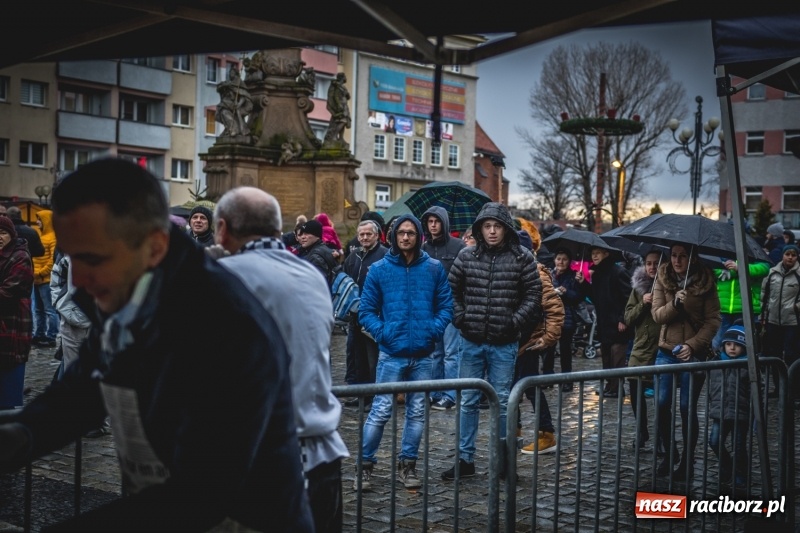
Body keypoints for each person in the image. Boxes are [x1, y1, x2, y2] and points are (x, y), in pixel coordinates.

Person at [0, 158, 313, 532]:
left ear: (155, 246)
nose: (78, 279)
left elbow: (201, 494)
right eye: (70, 256)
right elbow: (85, 388)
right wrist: (21, 435)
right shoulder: (122, 291)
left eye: (93, 259)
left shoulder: (229, 327)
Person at [213, 187, 349, 533]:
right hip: (323, 456)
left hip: (261, 461)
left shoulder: (223, 276)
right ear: (278, 230)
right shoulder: (310, 275)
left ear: (222, 229)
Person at [443, 202, 542, 480]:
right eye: (487, 226)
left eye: (497, 226)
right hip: (471, 340)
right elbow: (451, 291)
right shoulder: (467, 256)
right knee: (467, 402)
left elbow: (533, 295)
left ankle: (503, 461)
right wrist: (461, 317)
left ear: (506, 228)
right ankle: (465, 460)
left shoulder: (522, 257)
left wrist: (514, 321)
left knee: (502, 403)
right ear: (480, 229)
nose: (492, 231)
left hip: (504, 342)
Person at [355, 213, 453, 490]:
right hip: (391, 353)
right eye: (401, 233)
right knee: (380, 410)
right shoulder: (379, 270)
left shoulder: (433, 268)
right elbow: (366, 310)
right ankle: (364, 466)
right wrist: (383, 332)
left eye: (411, 233)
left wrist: (432, 330)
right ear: (394, 236)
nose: (406, 237)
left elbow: (446, 306)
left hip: (423, 354)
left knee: (417, 412)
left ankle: (407, 465)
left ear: (419, 236)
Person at [652, 243, 720, 481]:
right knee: (662, 403)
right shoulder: (663, 277)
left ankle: (687, 461)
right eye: (674, 255)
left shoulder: (705, 281)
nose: (677, 261)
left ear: (693, 258)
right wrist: (675, 304)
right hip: (666, 351)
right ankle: (669, 453)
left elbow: (713, 320)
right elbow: (657, 315)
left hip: (693, 353)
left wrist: (692, 345)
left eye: (683, 256)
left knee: (686, 407)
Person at [515, 229, 563, 455]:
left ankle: (547, 434)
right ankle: (513, 430)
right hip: (513, 342)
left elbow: (555, 309)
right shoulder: (514, 270)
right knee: (511, 388)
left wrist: (547, 338)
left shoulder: (537, 273)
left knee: (530, 387)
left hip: (530, 343)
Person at [421, 206, 466, 410]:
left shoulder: (458, 246)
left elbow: (465, 276)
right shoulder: (424, 248)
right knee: (435, 353)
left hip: (451, 307)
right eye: (430, 222)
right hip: (431, 309)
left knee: (451, 353)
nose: (433, 225)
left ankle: (450, 395)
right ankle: (435, 392)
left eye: (437, 221)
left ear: (444, 223)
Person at [575, 246, 632, 398]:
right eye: (593, 253)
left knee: (617, 357)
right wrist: (583, 283)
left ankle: (617, 388)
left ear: (606, 254)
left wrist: (623, 319)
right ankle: (610, 386)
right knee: (606, 357)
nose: (594, 256)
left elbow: (629, 298)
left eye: (597, 253)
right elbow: (595, 297)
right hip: (604, 322)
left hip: (618, 324)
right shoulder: (598, 273)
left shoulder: (618, 272)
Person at [342, 220, 388, 401]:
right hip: (355, 314)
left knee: (373, 358)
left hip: (375, 315)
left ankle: (374, 395)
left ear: (376, 235)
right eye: (361, 234)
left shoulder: (385, 255)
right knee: (357, 355)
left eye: (369, 234)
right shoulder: (354, 256)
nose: (365, 237)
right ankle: (360, 394)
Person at [624, 250, 662, 450]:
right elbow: (628, 317)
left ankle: (663, 436)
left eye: (656, 263)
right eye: (648, 263)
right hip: (642, 346)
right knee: (634, 386)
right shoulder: (639, 288)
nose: (652, 267)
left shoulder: (670, 286)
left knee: (662, 396)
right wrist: (643, 303)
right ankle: (641, 430)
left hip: (663, 347)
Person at [708, 323, 750, 488]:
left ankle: (740, 473)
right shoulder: (716, 363)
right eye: (729, 344)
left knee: (738, 446)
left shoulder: (748, 365)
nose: (732, 348)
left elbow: (758, 389)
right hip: (720, 411)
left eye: (737, 345)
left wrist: (756, 412)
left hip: (741, 412)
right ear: (723, 345)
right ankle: (727, 465)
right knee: (714, 441)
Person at [0, 216, 33, 410]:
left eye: (3, 232)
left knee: (9, 396)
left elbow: (8, 292)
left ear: (11, 235)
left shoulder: (20, 256)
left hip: (13, 327)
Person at [760, 243, 800, 392]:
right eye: (787, 254)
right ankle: (778, 388)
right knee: (774, 355)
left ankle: (793, 389)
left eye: (793, 255)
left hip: (793, 322)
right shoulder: (772, 273)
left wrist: (796, 307)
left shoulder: (798, 274)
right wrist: (763, 315)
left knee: (792, 355)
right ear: (782, 255)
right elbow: (764, 295)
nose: (790, 257)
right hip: (773, 320)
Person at [710, 258, 769, 353]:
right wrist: (730, 271)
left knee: (747, 344)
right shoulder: (721, 255)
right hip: (722, 307)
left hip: (746, 308)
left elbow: (764, 268)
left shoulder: (751, 255)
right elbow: (711, 269)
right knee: (718, 342)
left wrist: (740, 268)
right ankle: (718, 361)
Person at [542, 247, 580, 386]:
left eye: (564, 259)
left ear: (569, 261)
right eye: (558, 259)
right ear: (554, 260)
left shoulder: (574, 277)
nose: (561, 262)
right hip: (550, 317)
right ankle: (547, 378)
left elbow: (577, 297)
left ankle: (566, 380)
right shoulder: (548, 275)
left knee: (565, 350)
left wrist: (566, 292)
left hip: (567, 318)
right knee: (548, 349)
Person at [31, 209, 58, 347]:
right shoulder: (41, 236)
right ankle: (39, 334)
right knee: (38, 310)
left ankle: (51, 336)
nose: (37, 222)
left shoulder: (53, 238)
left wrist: (41, 273)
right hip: (36, 279)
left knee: (49, 310)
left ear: (46, 220)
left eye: (39, 219)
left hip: (45, 280)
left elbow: (52, 260)